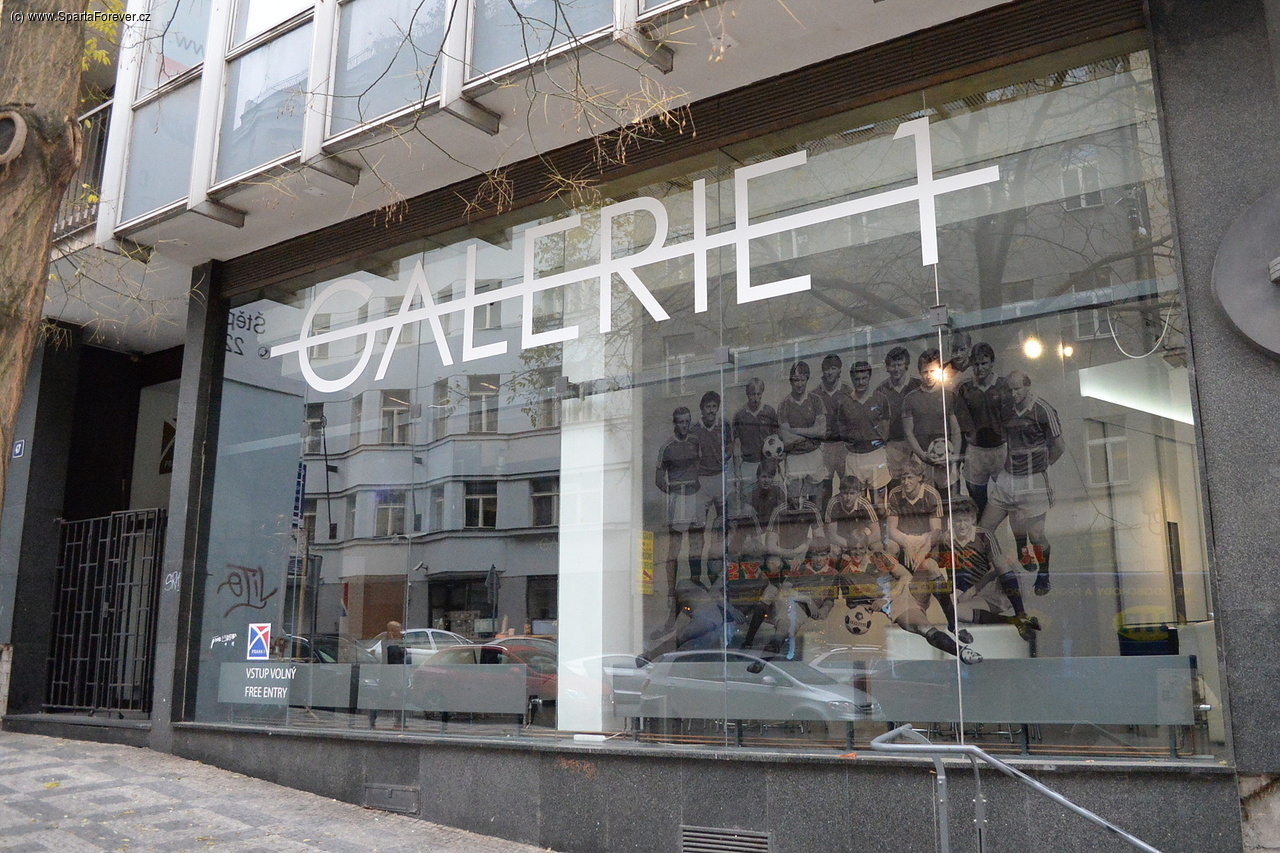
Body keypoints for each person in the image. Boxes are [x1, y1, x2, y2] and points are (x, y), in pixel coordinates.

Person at [838, 529, 981, 664]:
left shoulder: (878, 556)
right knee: (924, 628)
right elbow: (854, 605)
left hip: (909, 590)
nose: (858, 553)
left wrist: (888, 596)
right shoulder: (846, 574)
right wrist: (870, 608)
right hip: (898, 606)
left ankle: (953, 624)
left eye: (861, 548)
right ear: (848, 549)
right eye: (854, 549)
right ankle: (962, 652)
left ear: (866, 548)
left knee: (929, 564)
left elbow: (905, 575)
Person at [980, 370, 1064, 596]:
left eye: (1017, 389)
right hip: (1009, 477)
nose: (1013, 394)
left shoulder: (1043, 410)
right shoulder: (1006, 410)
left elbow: (1059, 447)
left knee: (1036, 535)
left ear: (1028, 387)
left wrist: (1041, 467)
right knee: (984, 529)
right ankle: (1008, 562)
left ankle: (1043, 573)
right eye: (1009, 390)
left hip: (1033, 479)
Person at [931, 498, 1041, 643]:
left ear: (973, 519)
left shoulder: (984, 535)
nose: (962, 525)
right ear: (951, 521)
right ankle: (1014, 622)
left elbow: (997, 569)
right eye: (958, 520)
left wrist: (972, 591)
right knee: (955, 612)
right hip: (969, 589)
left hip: (993, 586)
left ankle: (1021, 613)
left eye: (966, 520)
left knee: (1003, 565)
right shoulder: (946, 539)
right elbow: (947, 570)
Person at [654, 406, 704, 629]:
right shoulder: (666, 447)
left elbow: (701, 467)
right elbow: (658, 479)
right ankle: (671, 590)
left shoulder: (695, 442)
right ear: (674, 423)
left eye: (687, 421)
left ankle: (696, 583)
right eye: (680, 422)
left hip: (694, 495)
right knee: (674, 547)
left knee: (696, 543)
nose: (684, 425)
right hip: (677, 497)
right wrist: (673, 492)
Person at [902, 347, 966, 505]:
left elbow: (956, 430)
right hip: (922, 458)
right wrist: (922, 456)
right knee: (924, 503)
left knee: (948, 502)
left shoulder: (949, 396)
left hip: (946, 459)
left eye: (932, 371)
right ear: (919, 372)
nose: (929, 375)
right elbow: (908, 432)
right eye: (925, 372)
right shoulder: (910, 399)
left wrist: (953, 457)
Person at [956, 342, 1011, 518]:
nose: (980, 368)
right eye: (976, 364)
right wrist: (961, 455)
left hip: (1000, 449)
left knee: (1009, 498)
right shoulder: (965, 389)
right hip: (976, 451)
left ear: (992, 363)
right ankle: (983, 534)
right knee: (977, 501)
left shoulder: (1004, 386)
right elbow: (961, 425)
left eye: (984, 363)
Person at [690, 390, 731, 586]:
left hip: (719, 478)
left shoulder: (724, 425)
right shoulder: (694, 429)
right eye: (708, 407)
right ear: (702, 409)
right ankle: (695, 577)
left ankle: (717, 573)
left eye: (715, 407)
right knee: (698, 532)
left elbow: (730, 446)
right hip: (702, 482)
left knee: (721, 528)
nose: (711, 410)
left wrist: (725, 458)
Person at [836, 359, 892, 501]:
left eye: (864, 378)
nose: (860, 382)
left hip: (875, 454)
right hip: (855, 457)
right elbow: (842, 429)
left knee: (879, 502)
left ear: (869, 377)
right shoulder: (845, 403)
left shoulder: (880, 399)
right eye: (857, 379)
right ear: (852, 379)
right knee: (857, 503)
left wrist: (880, 442)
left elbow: (886, 423)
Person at [777, 361, 827, 503]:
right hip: (794, 457)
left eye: (802, 380)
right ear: (791, 382)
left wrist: (796, 431)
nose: (799, 384)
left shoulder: (816, 400)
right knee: (793, 501)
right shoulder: (784, 405)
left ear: (807, 379)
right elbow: (787, 439)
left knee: (815, 502)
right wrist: (811, 433)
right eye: (796, 380)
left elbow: (822, 431)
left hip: (814, 455)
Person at [885, 456, 943, 571]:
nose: (906, 482)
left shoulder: (932, 494)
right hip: (903, 537)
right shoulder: (894, 494)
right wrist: (906, 544)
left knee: (932, 561)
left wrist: (923, 550)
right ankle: (896, 576)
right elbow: (891, 529)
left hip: (925, 538)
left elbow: (936, 531)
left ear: (919, 477)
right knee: (890, 547)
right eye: (903, 478)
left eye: (910, 478)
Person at [876, 346, 921, 483]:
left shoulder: (918, 385)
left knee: (917, 482)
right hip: (893, 445)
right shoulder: (881, 390)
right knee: (896, 483)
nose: (896, 369)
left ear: (906, 365)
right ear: (887, 368)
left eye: (899, 365)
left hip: (917, 443)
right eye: (892, 365)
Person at [730, 377, 780, 501]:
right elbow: (737, 445)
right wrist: (737, 472)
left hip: (767, 464)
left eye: (758, 394)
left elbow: (776, 439)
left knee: (771, 501)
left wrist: (776, 464)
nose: (756, 398)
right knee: (749, 501)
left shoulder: (769, 412)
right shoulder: (740, 415)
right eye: (752, 394)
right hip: (749, 465)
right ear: (747, 394)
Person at [815, 353, 853, 509]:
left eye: (833, 369)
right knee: (824, 486)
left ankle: (847, 516)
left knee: (847, 484)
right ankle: (826, 518)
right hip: (824, 445)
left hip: (843, 445)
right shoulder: (816, 394)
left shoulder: (847, 391)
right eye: (827, 369)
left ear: (839, 371)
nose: (829, 372)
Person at [368, 621, 409, 728]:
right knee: (382, 697)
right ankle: (372, 719)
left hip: (398, 673)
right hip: (389, 673)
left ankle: (400, 720)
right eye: (397, 630)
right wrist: (395, 642)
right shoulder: (386, 642)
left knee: (401, 698)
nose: (400, 632)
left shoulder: (399, 641)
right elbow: (392, 655)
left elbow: (404, 654)